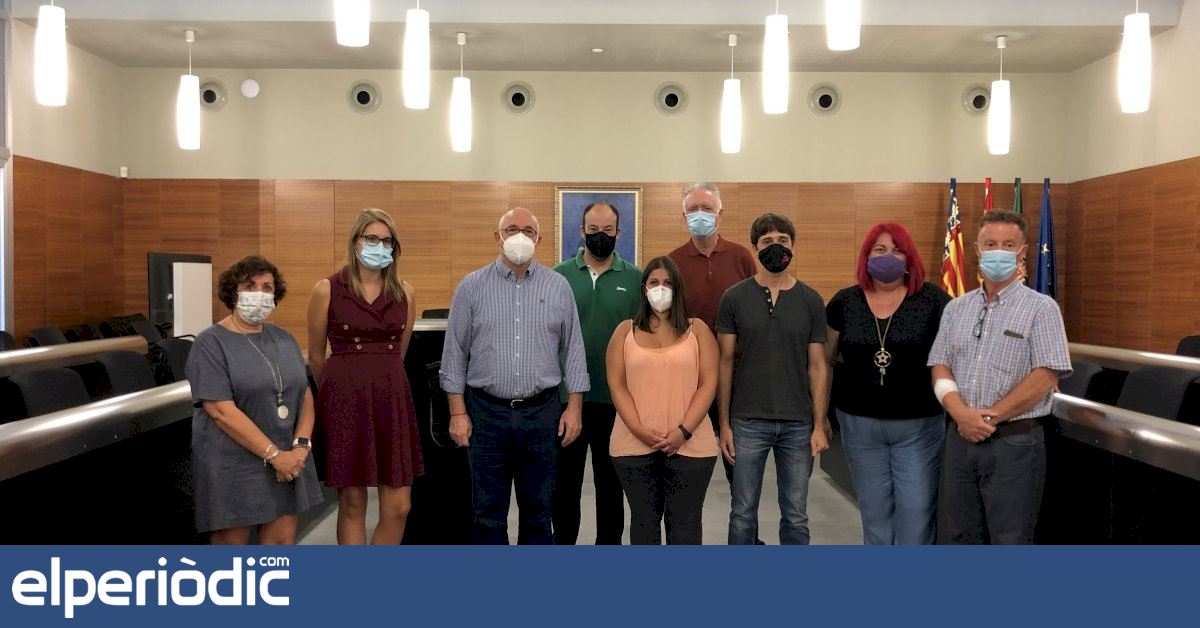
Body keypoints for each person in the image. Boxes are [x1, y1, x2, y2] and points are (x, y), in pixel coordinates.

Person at [440, 207, 590, 544]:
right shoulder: (471, 287)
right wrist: (457, 412)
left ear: (539, 239)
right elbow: (454, 354)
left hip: (542, 414)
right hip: (486, 415)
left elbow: (573, 350)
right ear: (497, 237)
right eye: (511, 229)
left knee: (539, 512)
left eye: (528, 230)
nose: (520, 236)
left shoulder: (558, 287)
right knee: (487, 514)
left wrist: (575, 408)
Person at [927, 210, 1072, 544]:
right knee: (959, 534)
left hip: (1014, 443)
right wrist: (962, 415)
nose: (998, 251)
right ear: (977, 249)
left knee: (1010, 538)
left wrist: (987, 419)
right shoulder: (956, 309)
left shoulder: (1042, 308)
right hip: (960, 439)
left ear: (1023, 252)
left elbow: (1046, 375)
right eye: (990, 244)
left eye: (1008, 244)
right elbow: (940, 366)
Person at [825, 223, 951, 544]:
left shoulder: (934, 300)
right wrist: (820, 418)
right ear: (866, 257)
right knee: (874, 512)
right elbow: (824, 361)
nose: (888, 257)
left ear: (910, 258)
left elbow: (954, 357)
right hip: (860, 426)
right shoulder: (845, 302)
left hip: (919, 426)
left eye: (897, 250)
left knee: (916, 511)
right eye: (879, 250)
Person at [188, 255, 323, 544]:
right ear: (232, 292)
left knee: (281, 545)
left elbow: (304, 394)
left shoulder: (284, 339)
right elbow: (220, 411)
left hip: (287, 458)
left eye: (267, 287)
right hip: (234, 462)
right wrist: (274, 455)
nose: (259, 294)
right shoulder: (209, 343)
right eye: (250, 286)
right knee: (231, 553)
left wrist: (300, 448)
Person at [307, 207, 422, 545]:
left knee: (399, 506)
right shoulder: (327, 289)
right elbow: (316, 356)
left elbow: (399, 351)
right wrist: (339, 390)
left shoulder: (405, 292)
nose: (379, 246)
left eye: (387, 241)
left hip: (392, 397)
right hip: (344, 400)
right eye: (371, 238)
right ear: (355, 241)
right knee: (353, 502)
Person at [716, 213, 830, 545]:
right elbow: (724, 363)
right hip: (747, 420)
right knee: (742, 512)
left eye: (783, 240)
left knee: (796, 515)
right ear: (754, 248)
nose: (775, 246)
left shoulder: (811, 300)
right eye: (767, 241)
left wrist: (819, 424)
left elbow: (818, 366)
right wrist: (724, 424)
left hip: (798, 423)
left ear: (793, 246)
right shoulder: (733, 297)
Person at [606, 256, 719, 544]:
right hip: (633, 445)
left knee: (685, 527)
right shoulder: (625, 331)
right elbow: (617, 385)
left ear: (677, 288)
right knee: (644, 523)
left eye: (668, 283)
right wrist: (639, 430)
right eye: (654, 282)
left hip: (691, 446)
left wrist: (683, 431)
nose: (660, 288)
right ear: (644, 288)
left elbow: (708, 384)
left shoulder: (698, 330)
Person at [551, 201, 641, 545]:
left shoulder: (635, 278)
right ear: (581, 232)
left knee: (611, 488)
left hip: (616, 400)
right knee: (564, 487)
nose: (600, 236)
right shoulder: (558, 276)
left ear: (619, 233)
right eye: (593, 230)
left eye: (607, 230)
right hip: (566, 400)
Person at [668, 182, 757, 489]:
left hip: (739, 378)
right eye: (693, 209)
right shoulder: (673, 262)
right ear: (683, 215)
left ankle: (744, 521)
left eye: (707, 208)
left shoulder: (741, 257)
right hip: (691, 379)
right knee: (689, 467)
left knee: (740, 470)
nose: (700, 215)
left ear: (720, 213)